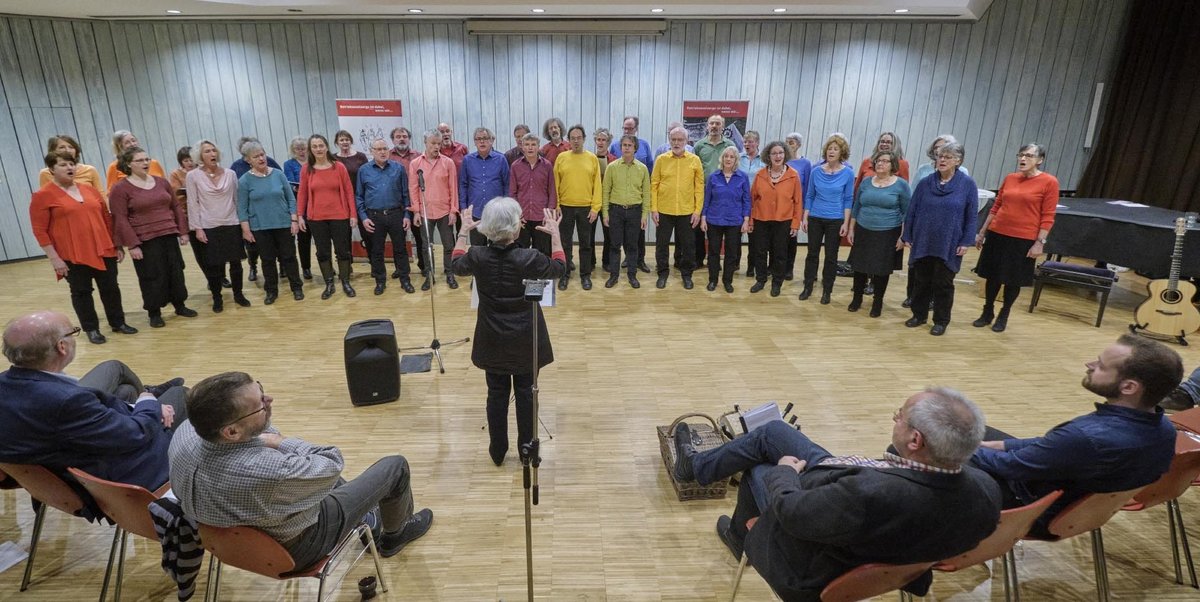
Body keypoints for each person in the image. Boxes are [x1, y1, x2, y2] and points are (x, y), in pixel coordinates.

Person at [671, 387, 1001, 601]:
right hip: (863, 517)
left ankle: (738, 534)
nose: (895, 417)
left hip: (812, 569)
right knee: (772, 433)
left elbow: (793, 512)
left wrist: (785, 472)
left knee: (759, 471)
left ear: (916, 441)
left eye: (899, 415)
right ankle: (697, 469)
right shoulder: (986, 493)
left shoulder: (866, 496)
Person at [169, 372, 433, 571]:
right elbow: (331, 460)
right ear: (232, 432)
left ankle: (367, 519)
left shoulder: (183, 435)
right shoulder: (268, 470)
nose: (268, 401)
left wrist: (261, 426)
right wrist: (281, 441)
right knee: (394, 467)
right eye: (261, 405)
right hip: (295, 547)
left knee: (316, 478)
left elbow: (307, 471)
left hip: (228, 541)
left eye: (261, 391)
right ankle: (394, 536)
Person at [972, 335, 1181, 536]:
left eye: (1100, 366)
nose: (1089, 364)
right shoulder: (1165, 429)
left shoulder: (1085, 437)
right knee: (967, 430)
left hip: (1029, 511)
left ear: (1128, 387)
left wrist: (959, 447)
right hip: (1076, 510)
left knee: (943, 449)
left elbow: (1011, 467)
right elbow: (1053, 447)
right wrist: (1001, 445)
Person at [0, 311, 186, 493]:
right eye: (73, 331)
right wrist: (147, 401)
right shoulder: (67, 401)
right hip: (115, 481)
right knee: (180, 395)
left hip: (60, 467)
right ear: (62, 347)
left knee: (125, 391)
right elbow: (135, 434)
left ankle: (142, 397)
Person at [449, 199, 567, 466]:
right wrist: (557, 237)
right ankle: (527, 449)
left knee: (496, 393)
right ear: (515, 229)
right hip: (526, 339)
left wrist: (463, 231)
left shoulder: (478, 256)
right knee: (527, 392)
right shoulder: (529, 258)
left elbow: (456, 264)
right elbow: (559, 269)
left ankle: (497, 450)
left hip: (492, 338)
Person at [30, 151, 137, 344]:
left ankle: (118, 323)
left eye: (72, 164)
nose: (70, 167)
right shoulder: (42, 196)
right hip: (72, 254)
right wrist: (54, 258)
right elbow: (40, 230)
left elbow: (106, 218)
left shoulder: (89, 190)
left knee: (111, 288)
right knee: (81, 291)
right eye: (63, 164)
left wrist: (117, 245)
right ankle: (91, 328)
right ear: (51, 169)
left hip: (104, 248)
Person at [973, 143, 1059, 332]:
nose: (1023, 159)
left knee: (1013, 279)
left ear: (1040, 160)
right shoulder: (1010, 178)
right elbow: (996, 207)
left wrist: (1039, 242)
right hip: (998, 234)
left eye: (1028, 155)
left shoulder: (1049, 182)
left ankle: (1004, 313)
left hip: (1023, 238)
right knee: (992, 275)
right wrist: (982, 232)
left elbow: (1048, 215)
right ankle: (987, 311)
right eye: (1021, 155)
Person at [110, 147, 195, 327]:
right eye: (139, 160)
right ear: (128, 164)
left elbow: (176, 207)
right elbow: (120, 218)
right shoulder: (120, 189)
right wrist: (132, 245)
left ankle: (180, 305)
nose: (145, 163)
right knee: (151, 276)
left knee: (175, 271)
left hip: (168, 233)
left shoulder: (161, 182)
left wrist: (183, 231)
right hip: (145, 239)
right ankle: (154, 312)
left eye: (147, 159)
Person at [902, 142, 977, 336]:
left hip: (949, 243)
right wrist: (907, 234)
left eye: (947, 157)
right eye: (940, 156)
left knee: (943, 283)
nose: (942, 160)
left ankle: (941, 320)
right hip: (923, 239)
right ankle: (918, 315)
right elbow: (912, 210)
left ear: (958, 161)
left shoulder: (967, 184)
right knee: (921, 280)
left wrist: (965, 241)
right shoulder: (926, 182)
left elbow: (971, 215)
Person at [236, 141, 304, 305]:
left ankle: (297, 287)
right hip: (260, 226)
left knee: (289, 257)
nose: (261, 158)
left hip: (283, 223)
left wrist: (294, 219)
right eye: (256, 156)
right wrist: (246, 229)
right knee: (267, 260)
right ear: (248, 160)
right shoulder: (245, 181)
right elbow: (242, 207)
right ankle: (271, 291)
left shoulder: (278, 174)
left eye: (262, 154)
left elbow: (290, 198)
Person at [188, 140, 250, 313]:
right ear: (200, 156)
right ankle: (217, 297)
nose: (212, 154)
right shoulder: (193, 176)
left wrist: (244, 224)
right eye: (207, 151)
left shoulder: (230, 174)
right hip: (208, 225)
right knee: (213, 265)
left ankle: (239, 294)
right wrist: (197, 228)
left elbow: (238, 200)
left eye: (213, 150)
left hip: (231, 223)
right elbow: (192, 203)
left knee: (236, 263)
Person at [847, 150, 910, 318]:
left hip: (888, 232)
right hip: (863, 229)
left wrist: (903, 237)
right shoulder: (867, 182)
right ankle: (857, 298)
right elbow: (857, 206)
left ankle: (877, 301)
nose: (880, 163)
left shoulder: (901, 185)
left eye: (885, 161)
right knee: (859, 266)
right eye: (878, 161)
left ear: (893, 165)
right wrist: (852, 228)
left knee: (881, 270)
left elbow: (907, 212)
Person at [298, 134, 357, 300]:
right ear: (311, 149)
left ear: (326, 147)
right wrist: (300, 216)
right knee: (323, 252)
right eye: (315, 146)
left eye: (321, 145)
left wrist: (353, 214)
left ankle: (345, 281)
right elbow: (302, 194)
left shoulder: (339, 167)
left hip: (340, 216)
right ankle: (329, 282)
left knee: (343, 251)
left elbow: (349, 192)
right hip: (316, 218)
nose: (318, 149)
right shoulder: (306, 169)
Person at [800, 135, 854, 304]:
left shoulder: (848, 173)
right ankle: (808, 286)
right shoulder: (816, 171)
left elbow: (848, 199)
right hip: (815, 217)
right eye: (829, 149)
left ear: (842, 152)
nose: (831, 151)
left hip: (835, 219)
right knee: (812, 254)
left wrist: (845, 223)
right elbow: (809, 195)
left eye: (835, 149)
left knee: (831, 256)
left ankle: (827, 291)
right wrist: (805, 217)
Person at [357, 138, 415, 295]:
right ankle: (380, 281)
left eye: (385, 148)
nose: (382, 152)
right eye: (378, 149)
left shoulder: (399, 168)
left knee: (401, 249)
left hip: (396, 214)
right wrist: (363, 217)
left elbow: (406, 194)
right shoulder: (364, 170)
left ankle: (405, 279)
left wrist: (407, 215)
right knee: (376, 251)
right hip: (374, 216)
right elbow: (359, 196)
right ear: (372, 151)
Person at [651, 127, 705, 290]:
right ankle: (662, 273)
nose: (676, 143)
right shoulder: (661, 159)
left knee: (688, 246)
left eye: (680, 140)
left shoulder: (695, 160)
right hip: (664, 210)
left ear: (686, 141)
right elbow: (654, 185)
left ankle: (687, 275)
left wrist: (697, 211)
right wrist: (654, 209)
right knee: (662, 245)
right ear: (669, 140)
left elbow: (699, 187)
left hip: (687, 211)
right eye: (673, 139)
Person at [749, 142, 803, 297]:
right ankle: (760, 280)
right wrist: (751, 221)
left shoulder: (793, 175)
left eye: (780, 153)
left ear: (785, 154)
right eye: (774, 153)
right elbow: (752, 200)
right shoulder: (760, 174)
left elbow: (798, 201)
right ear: (768, 156)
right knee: (759, 252)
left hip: (783, 220)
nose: (778, 156)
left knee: (780, 253)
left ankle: (777, 283)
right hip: (761, 219)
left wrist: (795, 224)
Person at [553, 124, 603, 290]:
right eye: (572, 138)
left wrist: (595, 208)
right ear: (568, 140)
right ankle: (565, 274)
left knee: (586, 244)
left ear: (584, 139)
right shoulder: (562, 158)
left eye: (579, 138)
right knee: (565, 243)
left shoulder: (592, 158)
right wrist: (557, 205)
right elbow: (555, 184)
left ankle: (585, 275)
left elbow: (597, 185)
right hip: (565, 208)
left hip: (586, 208)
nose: (575, 141)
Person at [409, 130, 460, 290]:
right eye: (433, 143)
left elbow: (453, 188)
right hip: (425, 211)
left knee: (448, 244)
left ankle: (449, 273)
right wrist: (416, 211)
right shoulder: (415, 164)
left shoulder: (448, 163)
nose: (437, 146)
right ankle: (429, 274)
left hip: (445, 211)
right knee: (426, 246)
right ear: (425, 143)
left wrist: (453, 211)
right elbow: (413, 188)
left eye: (439, 143)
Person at [602, 135, 652, 289]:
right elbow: (605, 191)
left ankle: (632, 275)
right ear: (620, 147)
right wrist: (605, 213)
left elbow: (646, 194)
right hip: (615, 210)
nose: (626, 148)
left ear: (635, 148)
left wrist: (644, 215)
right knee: (615, 245)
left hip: (635, 212)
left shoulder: (642, 168)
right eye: (624, 145)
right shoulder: (612, 167)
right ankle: (614, 276)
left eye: (630, 145)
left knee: (632, 246)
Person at [702, 147, 751, 293]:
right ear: (722, 159)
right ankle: (712, 280)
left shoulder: (743, 177)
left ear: (736, 160)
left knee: (731, 253)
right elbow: (707, 199)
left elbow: (747, 200)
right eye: (726, 156)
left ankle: (727, 281)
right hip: (714, 219)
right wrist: (703, 218)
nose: (728, 159)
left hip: (735, 221)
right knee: (713, 252)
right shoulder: (713, 177)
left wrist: (746, 220)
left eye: (732, 157)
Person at [693, 115, 736, 269]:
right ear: (707, 126)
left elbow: (735, 164)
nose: (714, 126)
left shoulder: (730, 144)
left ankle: (723, 262)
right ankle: (699, 259)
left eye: (718, 123)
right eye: (712, 123)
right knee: (699, 227)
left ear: (723, 126)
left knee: (718, 227)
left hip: (724, 192)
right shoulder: (699, 145)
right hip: (703, 191)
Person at [459, 127, 511, 246]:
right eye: (478, 139)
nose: (482, 142)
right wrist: (463, 207)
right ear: (474, 141)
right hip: (475, 212)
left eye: (485, 138)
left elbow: (507, 184)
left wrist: (506, 206)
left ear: (491, 141)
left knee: (498, 247)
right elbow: (463, 184)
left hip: (496, 212)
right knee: (477, 248)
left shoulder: (501, 159)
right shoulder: (467, 160)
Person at [509, 132, 557, 256]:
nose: (530, 148)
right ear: (522, 147)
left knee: (542, 251)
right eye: (527, 144)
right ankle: (523, 276)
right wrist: (516, 214)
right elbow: (512, 193)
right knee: (521, 251)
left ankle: (541, 275)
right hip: (522, 217)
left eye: (533, 144)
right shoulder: (515, 166)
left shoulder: (547, 166)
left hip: (542, 216)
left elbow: (552, 191)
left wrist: (550, 214)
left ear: (538, 146)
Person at [388, 127, 422, 279]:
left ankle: (424, 265)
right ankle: (401, 268)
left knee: (421, 237)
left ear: (409, 138)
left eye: (404, 136)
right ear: (393, 139)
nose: (401, 139)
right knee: (398, 239)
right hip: (396, 203)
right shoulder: (387, 156)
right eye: (398, 136)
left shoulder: (418, 156)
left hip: (416, 203)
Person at [282, 137, 314, 280]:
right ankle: (306, 267)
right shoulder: (289, 164)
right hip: (300, 203)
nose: (301, 151)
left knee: (321, 239)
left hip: (315, 203)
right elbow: (291, 183)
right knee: (303, 239)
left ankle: (327, 265)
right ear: (293, 150)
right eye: (298, 149)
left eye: (303, 148)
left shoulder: (314, 162)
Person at [783, 132, 812, 282]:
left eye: (792, 142)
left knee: (791, 239)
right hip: (781, 205)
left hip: (796, 206)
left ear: (799, 145)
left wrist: (803, 212)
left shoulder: (805, 163)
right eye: (787, 141)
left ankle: (789, 269)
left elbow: (807, 188)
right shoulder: (780, 160)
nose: (789, 144)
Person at [38, 135, 105, 195]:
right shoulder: (45, 174)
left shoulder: (90, 170)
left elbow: (101, 195)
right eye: (62, 147)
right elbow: (45, 197)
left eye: (71, 147)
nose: (67, 150)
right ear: (53, 151)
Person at [593, 128, 617, 273]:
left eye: (603, 140)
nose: (600, 142)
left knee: (609, 234)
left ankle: (607, 262)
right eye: (598, 139)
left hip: (609, 203)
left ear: (608, 142)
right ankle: (590, 262)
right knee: (589, 234)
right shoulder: (589, 158)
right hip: (592, 202)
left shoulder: (614, 160)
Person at [168, 146, 194, 215]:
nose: (189, 163)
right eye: (186, 161)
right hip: (185, 207)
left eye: (192, 160)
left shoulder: (201, 171)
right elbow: (177, 193)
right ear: (181, 162)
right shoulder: (175, 174)